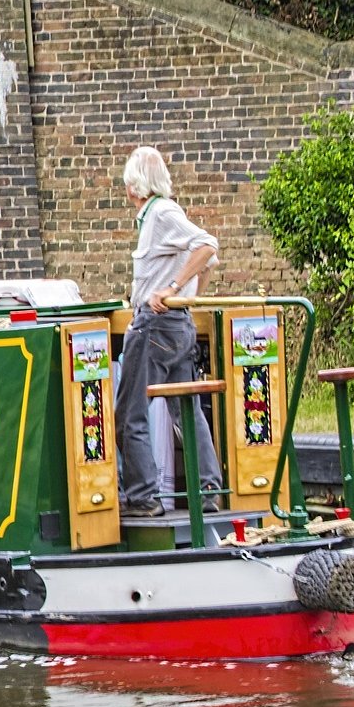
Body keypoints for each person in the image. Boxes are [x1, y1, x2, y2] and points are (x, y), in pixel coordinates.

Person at [115, 146, 222, 517]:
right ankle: (209, 490)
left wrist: (173, 290)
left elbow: (208, 246)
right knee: (187, 411)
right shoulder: (162, 215)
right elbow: (208, 262)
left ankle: (143, 498)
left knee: (130, 413)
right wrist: (190, 298)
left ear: (133, 186)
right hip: (179, 327)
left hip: (154, 327)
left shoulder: (160, 213)